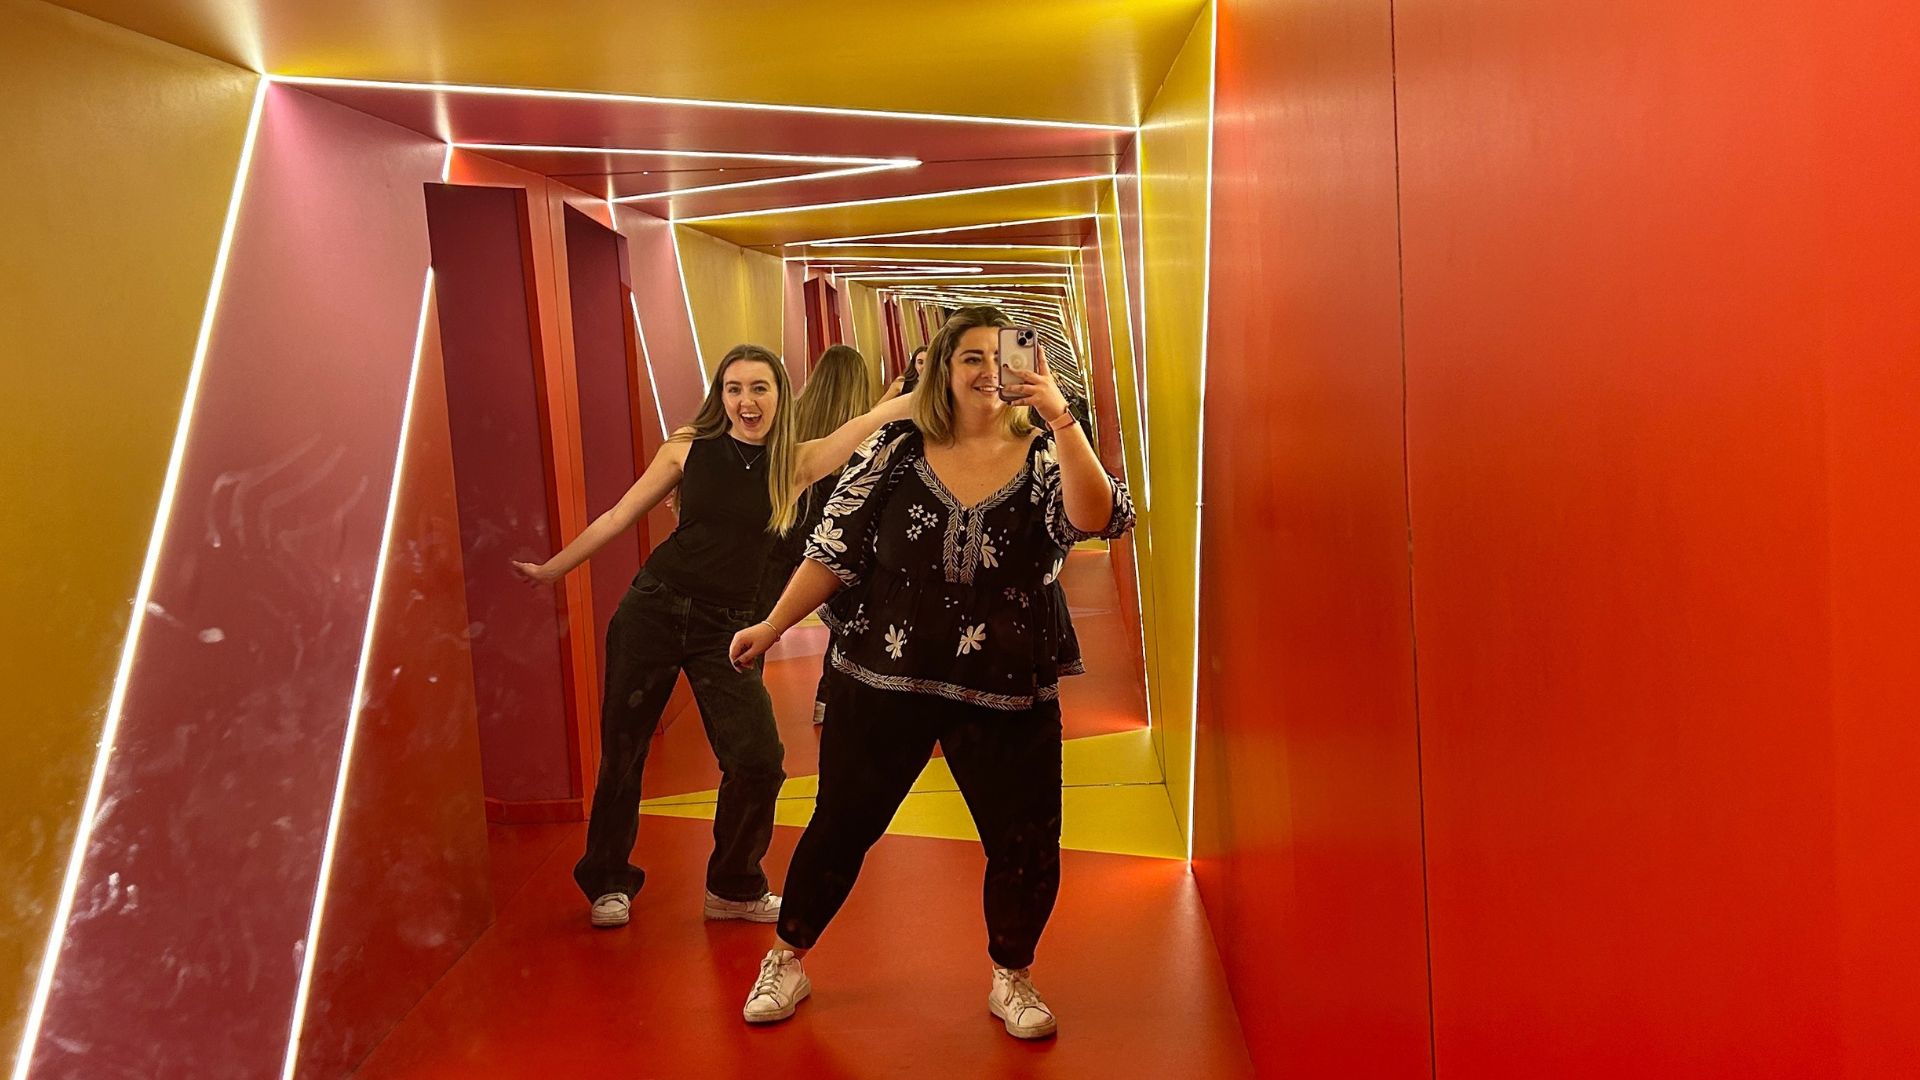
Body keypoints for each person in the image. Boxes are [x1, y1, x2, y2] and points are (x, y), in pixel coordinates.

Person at [727, 307, 1135, 1039]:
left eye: (1001, 356)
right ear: (942, 370)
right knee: (843, 822)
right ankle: (787, 955)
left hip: (1007, 682)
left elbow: (1095, 517)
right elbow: (835, 549)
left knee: (1023, 837)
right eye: (969, 358)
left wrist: (1063, 418)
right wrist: (773, 624)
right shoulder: (895, 448)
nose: (987, 372)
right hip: (885, 671)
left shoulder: (1049, 452)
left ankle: (1012, 975)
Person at [511, 343, 911, 930]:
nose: (746, 401)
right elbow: (620, 516)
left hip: (725, 628)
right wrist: (554, 569)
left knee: (758, 760)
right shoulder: (687, 450)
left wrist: (930, 390)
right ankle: (607, 879)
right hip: (651, 609)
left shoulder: (793, 463)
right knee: (624, 752)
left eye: (759, 388)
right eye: (734, 389)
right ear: (719, 396)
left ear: (780, 395)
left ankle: (732, 884)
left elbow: (869, 421)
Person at [756, 344, 887, 724]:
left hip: (786, 525)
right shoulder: (865, 426)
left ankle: (749, 698)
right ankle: (828, 699)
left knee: (762, 616)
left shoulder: (791, 417)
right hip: (840, 529)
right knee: (846, 617)